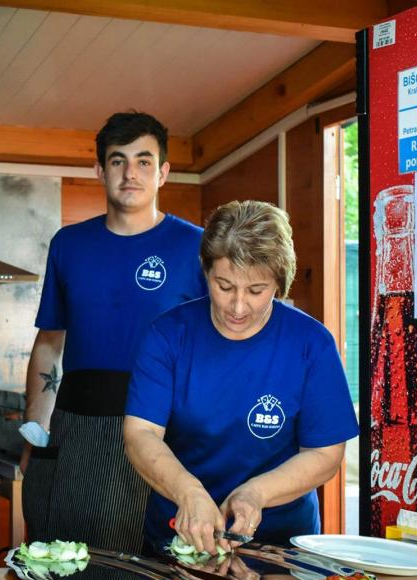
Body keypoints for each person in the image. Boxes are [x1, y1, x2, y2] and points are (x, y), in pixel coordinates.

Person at [124, 200, 359, 557]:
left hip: (279, 547)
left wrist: (256, 493)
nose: (237, 307)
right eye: (224, 286)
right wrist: (189, 493)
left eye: (256, 290)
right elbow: (140, 434)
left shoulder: (311, 344)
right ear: (206, 272)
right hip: (178, 539)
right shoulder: (167, 336)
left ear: (279, 283)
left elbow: (325, 452)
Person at [20, 111, 208, 553]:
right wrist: (35, 428)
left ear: (163, 173)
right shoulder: (68, 244)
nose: (130, 173)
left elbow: (214, 348)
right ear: (100, 171)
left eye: (144, 161)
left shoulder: (196, 246)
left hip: (162, 431)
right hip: (76, 428)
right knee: (63, 558)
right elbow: (49, 344)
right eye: (118, 160)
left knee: (146, 565)